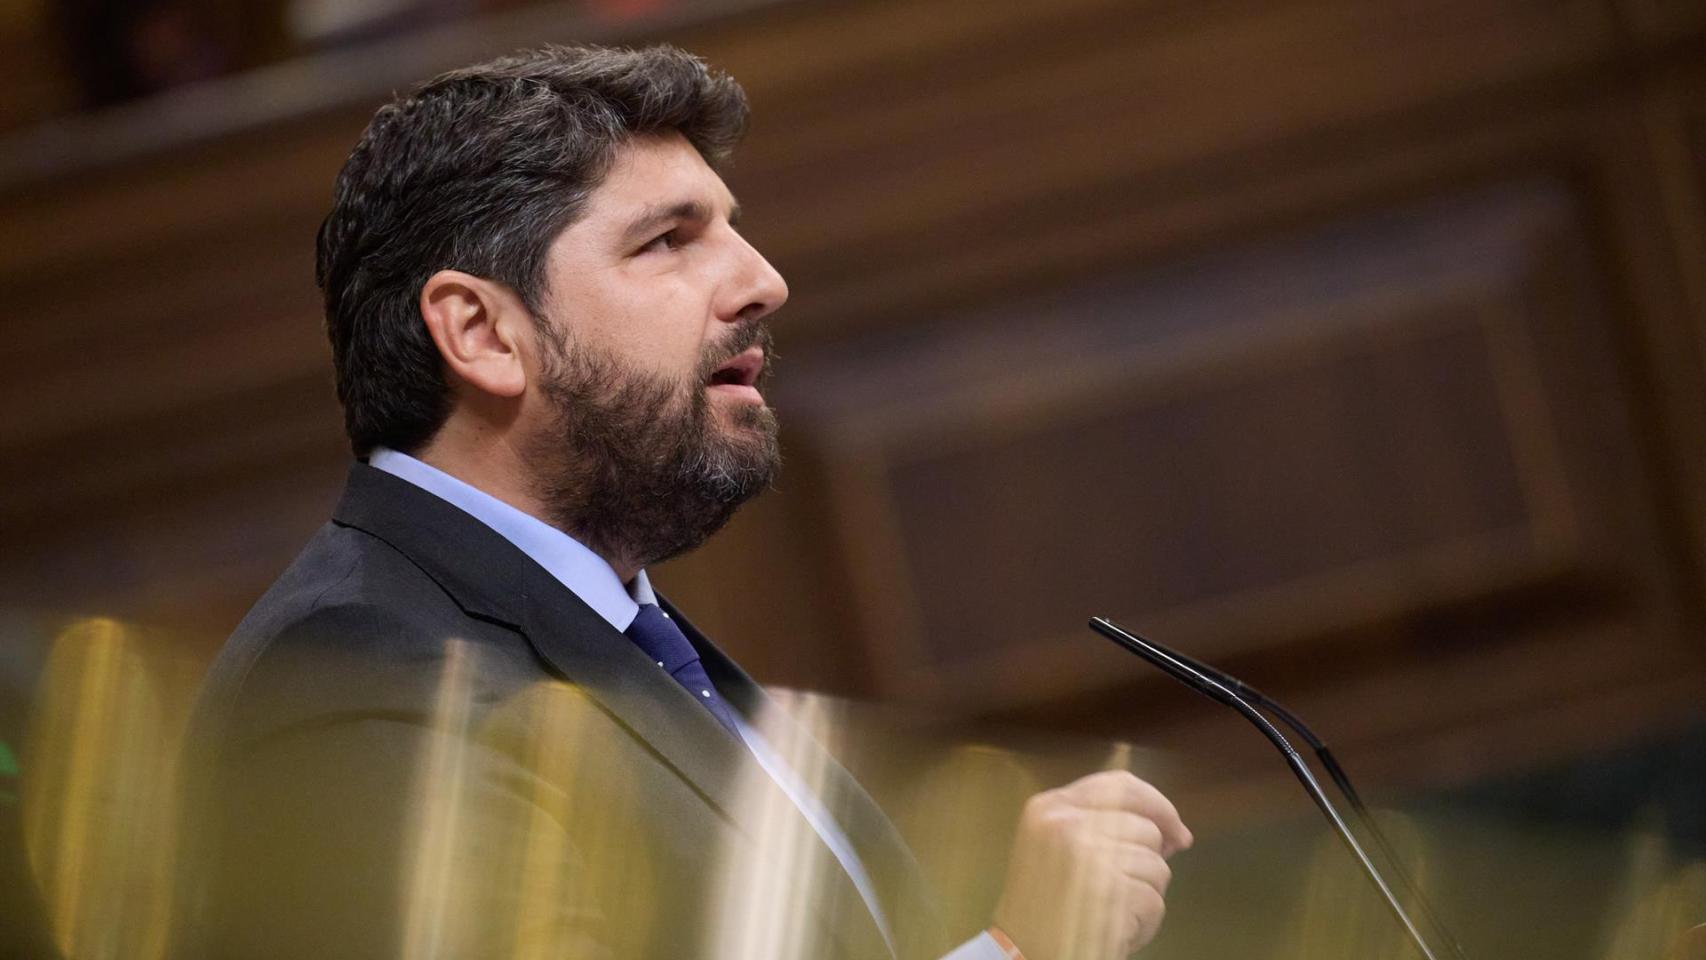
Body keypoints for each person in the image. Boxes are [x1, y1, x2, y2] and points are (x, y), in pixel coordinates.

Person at [181, 43, 1191, 960]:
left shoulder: (618, 630)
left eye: (730, 232)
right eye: (667, 240)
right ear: (483, 334)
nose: (762, 281)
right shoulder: (361, 688)